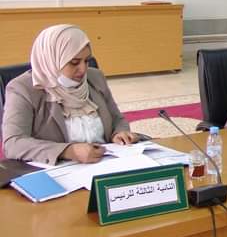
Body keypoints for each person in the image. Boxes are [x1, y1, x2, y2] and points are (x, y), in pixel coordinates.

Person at [2, 25, 137, 165]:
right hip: (58, 170)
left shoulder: (95, 77)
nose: (83, 69)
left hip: (106, 163)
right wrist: (68, 151)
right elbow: (13, 143)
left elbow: (117, 119)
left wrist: (119, 133)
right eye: (74, 63)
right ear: (52, 60)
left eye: (86, 61)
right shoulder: (22, 89)